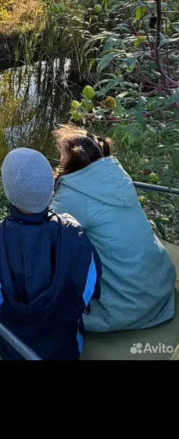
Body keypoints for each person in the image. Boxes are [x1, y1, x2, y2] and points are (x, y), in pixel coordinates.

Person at [0, 147, 102, 360]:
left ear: (9, 191)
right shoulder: (74, 232)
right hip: (68, 349)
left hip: (13, 349)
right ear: (50, 188)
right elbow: (91, 288)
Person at [51, 125, 176, 333]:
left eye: (62, 155)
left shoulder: (72, 196)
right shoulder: (117, 176)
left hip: (128, 306)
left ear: (75, 160)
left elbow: (48, 234)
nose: (59, 159)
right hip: (159, 284)